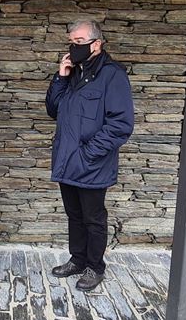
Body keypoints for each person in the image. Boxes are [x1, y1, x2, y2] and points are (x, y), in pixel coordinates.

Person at [45, 19, 135, 291]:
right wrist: (61, 76)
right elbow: (53, 109)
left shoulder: (113, 75)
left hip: (91, 164)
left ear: (97, 44)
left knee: (93, 218)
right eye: (71, 42)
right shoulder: (73, 73)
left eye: (79, 42)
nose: (74, 47)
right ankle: (78, 259)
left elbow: (121, 125)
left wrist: (87, 154)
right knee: (74, 215)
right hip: (67, 161)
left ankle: (95, 267)